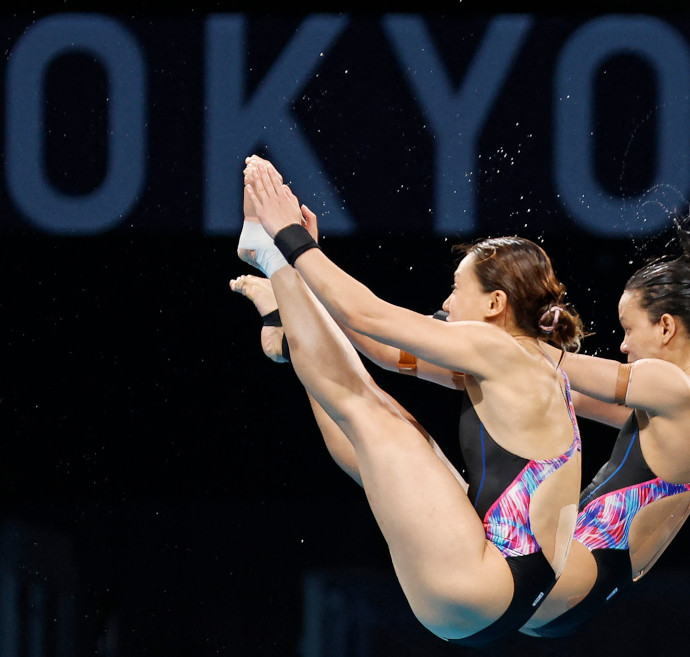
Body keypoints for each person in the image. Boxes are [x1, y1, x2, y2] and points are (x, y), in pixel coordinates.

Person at [237, 157, 583, 645]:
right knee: (379, 444)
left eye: (457, 289)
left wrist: (289, 241)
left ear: (494, 304)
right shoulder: (526, 365)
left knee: (372, 414)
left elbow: (368, 315)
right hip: (508, 597)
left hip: (480, 584)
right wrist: (303, 273)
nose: (445, 303)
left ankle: (272, 266)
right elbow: (377, 346)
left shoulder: (497, 349)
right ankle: (287, 316)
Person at [518, 220, 690, 636]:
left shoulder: (681, 391)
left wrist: (507, 333)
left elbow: (554, 365)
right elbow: (569, 395)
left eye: (629, 329)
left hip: (568, 575)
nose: (623, 344)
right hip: (584, 585)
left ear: (666, 326)